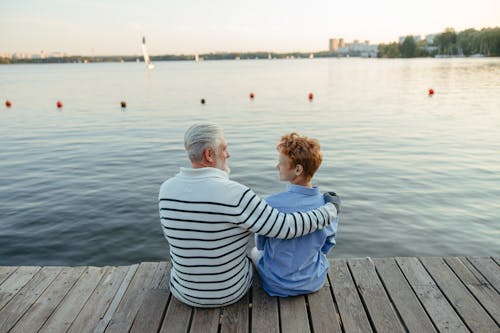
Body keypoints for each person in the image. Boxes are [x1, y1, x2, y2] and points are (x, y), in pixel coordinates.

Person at [159, 123, 340, 307]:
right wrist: (330, 210)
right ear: (209, 155)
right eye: (224, 148)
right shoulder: (236, 194)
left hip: (183, 292)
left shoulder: (165, 190)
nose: (228, 154)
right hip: (230, 292)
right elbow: (286, 227)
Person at [250, 133, 340, 297]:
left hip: (275, 284)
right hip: (313, 282)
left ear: (298, 169)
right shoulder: (328, 207)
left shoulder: (270, 204)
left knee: (254, 251)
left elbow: (261, 244)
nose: (277, 166)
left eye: (282, 163)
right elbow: (328, 245)